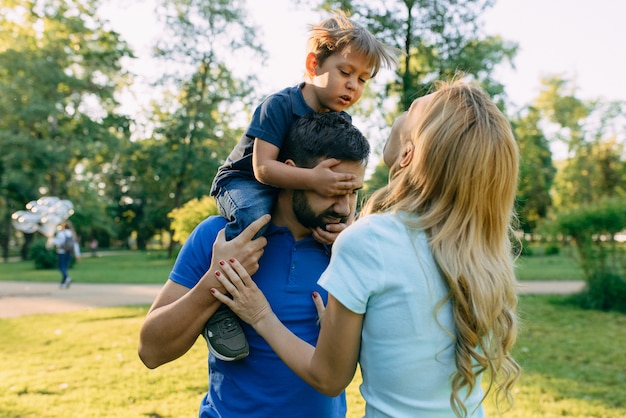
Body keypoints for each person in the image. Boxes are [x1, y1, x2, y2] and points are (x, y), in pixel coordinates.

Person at [211, 80, 522, 417]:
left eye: (413, 109)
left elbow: (328, 378)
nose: (402, 112)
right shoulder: (481, 249)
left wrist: (259, 314)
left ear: (408, 154)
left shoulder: (368, 240)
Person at [138, 112, 371, 418]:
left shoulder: (354, 250)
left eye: (352, 192)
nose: (343, 207)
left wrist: (347, 252)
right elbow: (151, 351)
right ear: (291, 175)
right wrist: (216, 279)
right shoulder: (219, 236)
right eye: (332, 191)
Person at [206, 10, 398, 361]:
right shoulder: (279, 105)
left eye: (363, 79)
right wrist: (314, 179)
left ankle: (338, 309)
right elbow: (263, 169)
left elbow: (346, 178)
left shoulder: (340, 120)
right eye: (345, 72)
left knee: (327, 228)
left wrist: (347, 219)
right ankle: (223, 304)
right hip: (243, 182)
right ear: (314, 64)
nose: (353, 85)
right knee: (253, 215)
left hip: (294, 189)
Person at [52, 221, 80, 289]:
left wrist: (52, 239)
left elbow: (59, 242)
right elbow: (75, 245)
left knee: (61, 267)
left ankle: (67, 278)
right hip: (69, 252)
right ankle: (63, 283)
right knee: (65, 268)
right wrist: (77, 254)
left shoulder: (61, 233)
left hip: (62, 252)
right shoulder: (72, 234)